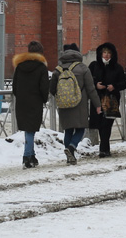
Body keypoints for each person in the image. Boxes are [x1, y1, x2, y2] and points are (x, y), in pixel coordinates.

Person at [52, 44, 100, 164]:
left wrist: (62, 96)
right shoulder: (83, 68)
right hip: (80, 104)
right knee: (80, 129)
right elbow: (91, 89)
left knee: (68, 130)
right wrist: (97, 105)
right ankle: (72, 147)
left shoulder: (58, 69)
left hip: (63, 104)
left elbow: (52, 89)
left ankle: (69, 156)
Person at [11, 40, 50, 169]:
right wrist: (44, 99)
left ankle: (31, 155)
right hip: (35, 101)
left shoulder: (19, 66)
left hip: (22, 102)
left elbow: (14, 87)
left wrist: (21, 96)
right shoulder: (41, 67)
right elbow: (44, 87)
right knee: (31, 129)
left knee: (28, 129)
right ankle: (27, 157)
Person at [89, 41, 126, 158]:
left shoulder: (117, 68)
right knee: (100, 124)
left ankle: (103, 149)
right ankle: (105, 149)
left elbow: (124, 83)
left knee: (107, 123)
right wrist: (96, 85)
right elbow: (88, 80)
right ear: (100, 54)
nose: (106, 55)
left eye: (108, 53)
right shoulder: (94, 66)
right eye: (104, 52)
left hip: (111, 100)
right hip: (97, 99)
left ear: (112, 54)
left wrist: (114, 86)